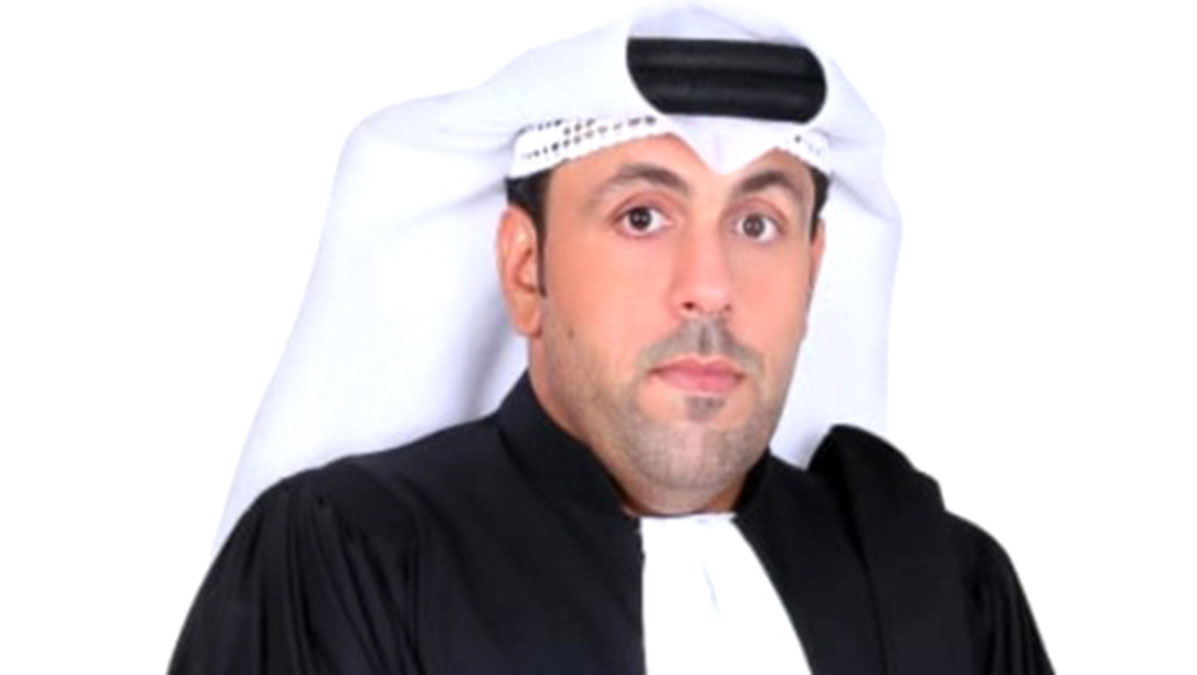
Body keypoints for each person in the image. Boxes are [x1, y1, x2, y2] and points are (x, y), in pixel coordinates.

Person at [171, 4, 1052, 673]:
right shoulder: (352, 561)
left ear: (813, 271)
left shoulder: (946, 584)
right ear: (527, 268)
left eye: (757, 224)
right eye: (642, 216)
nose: (709, 285)